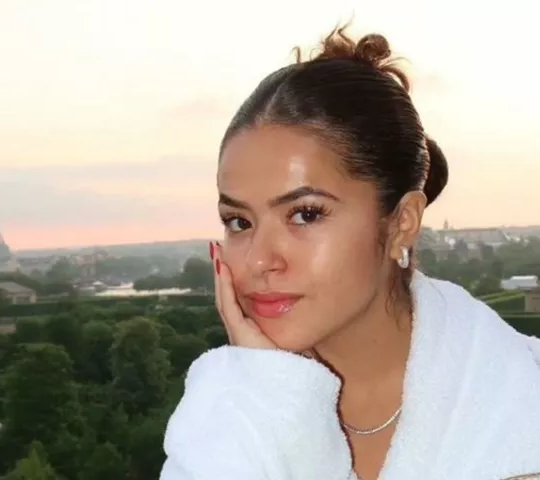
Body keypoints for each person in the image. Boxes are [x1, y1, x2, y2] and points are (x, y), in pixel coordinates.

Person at [160, 24, 540, 480]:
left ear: (402, 223)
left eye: (305, 214)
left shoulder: (522, 404)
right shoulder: (223, 422)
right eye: (239, 222)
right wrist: (263, 393)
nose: (259, 260)